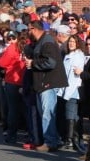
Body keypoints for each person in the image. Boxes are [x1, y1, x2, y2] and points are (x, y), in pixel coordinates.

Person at [25, 20, 68, 152]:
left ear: (34, 29)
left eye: (29, 29)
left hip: (48, 83)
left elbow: (50, 62)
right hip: (42, 83)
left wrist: (32, 63)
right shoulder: (41, 42)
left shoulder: (47, 41)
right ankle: (52, 139)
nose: (27, 32)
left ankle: (50, 142)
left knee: (47, 114)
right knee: (45, 113)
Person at [57, 35, 86, 150]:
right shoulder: (68, 55)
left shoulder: (78, 56)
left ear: (78, 43)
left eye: (73, 42)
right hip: (66, 89)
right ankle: (72, 140)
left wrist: (67, 93)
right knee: (71, 115)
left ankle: (69, 140)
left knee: (71, 115)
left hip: (72, 90)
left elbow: (74, 77)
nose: (71, 43)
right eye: (70, 41)